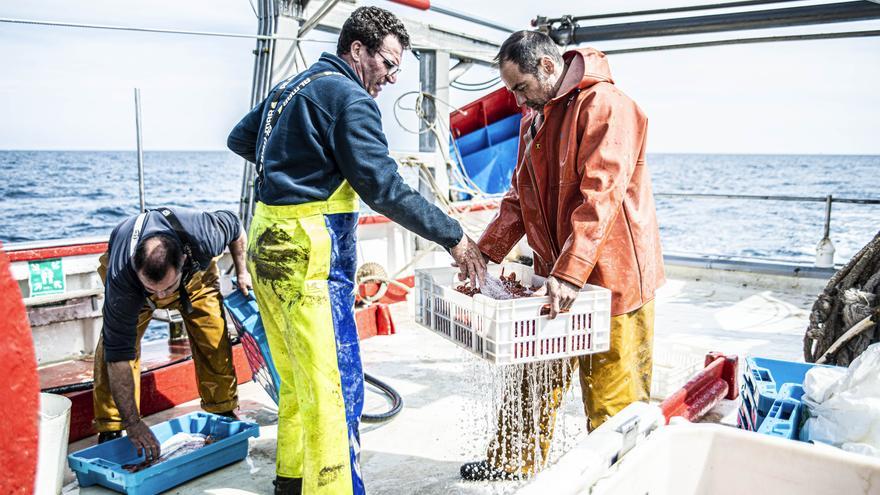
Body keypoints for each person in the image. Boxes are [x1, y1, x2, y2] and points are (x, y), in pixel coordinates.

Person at [226, 6, 485, 495]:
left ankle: (291, 479)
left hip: (265, 240)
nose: (389, 78)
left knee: (296, 377)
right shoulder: (350, 97)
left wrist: (296, 162)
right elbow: (383, 187)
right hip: (309, 252)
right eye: (387, 64)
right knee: (335, 387)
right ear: (358, 50)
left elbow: (241, 138)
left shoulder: (292, 87)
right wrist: (453, 235)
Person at [459, 30, 665, 480]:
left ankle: (620, 480)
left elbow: (601, 196)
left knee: (614, 394)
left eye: (520, 88)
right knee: (532, 376)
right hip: (555, 278)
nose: (516, 100)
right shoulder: (535, 115)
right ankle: (510, 464)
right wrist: (484, 252)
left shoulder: (607, 106)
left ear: (548, 68)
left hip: (614, 282)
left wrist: (571, 273)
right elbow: (519, 196)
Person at [93, 206, 249, 461]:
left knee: (214, 339)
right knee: (112, 348)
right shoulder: (123, 282)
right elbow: (118, 357)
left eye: (167, 289)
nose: (161, 298)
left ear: (185, 260)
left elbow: (236, 228)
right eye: (155, 290)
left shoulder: (205, 234)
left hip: (193, 281)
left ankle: (222, 410)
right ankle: (112, 426)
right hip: (136, 289)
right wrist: (133, 423)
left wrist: (242, 271)